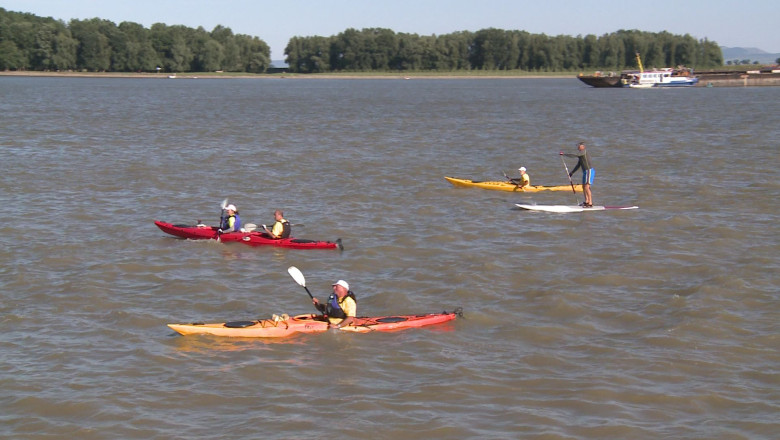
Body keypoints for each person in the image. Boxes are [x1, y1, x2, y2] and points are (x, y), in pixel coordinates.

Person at [561, 142, 594, 207]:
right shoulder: (581, 156)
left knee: (587, 187)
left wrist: (564, 154)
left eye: (579, 146)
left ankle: (590, 203)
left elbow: (575, 155)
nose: (578, 147)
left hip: (589, 171)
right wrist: (572, 172)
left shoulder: (583, 152)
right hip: (585, 172)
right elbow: (578, 165)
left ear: (583, 146)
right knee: (583, 187)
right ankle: (586, 201)